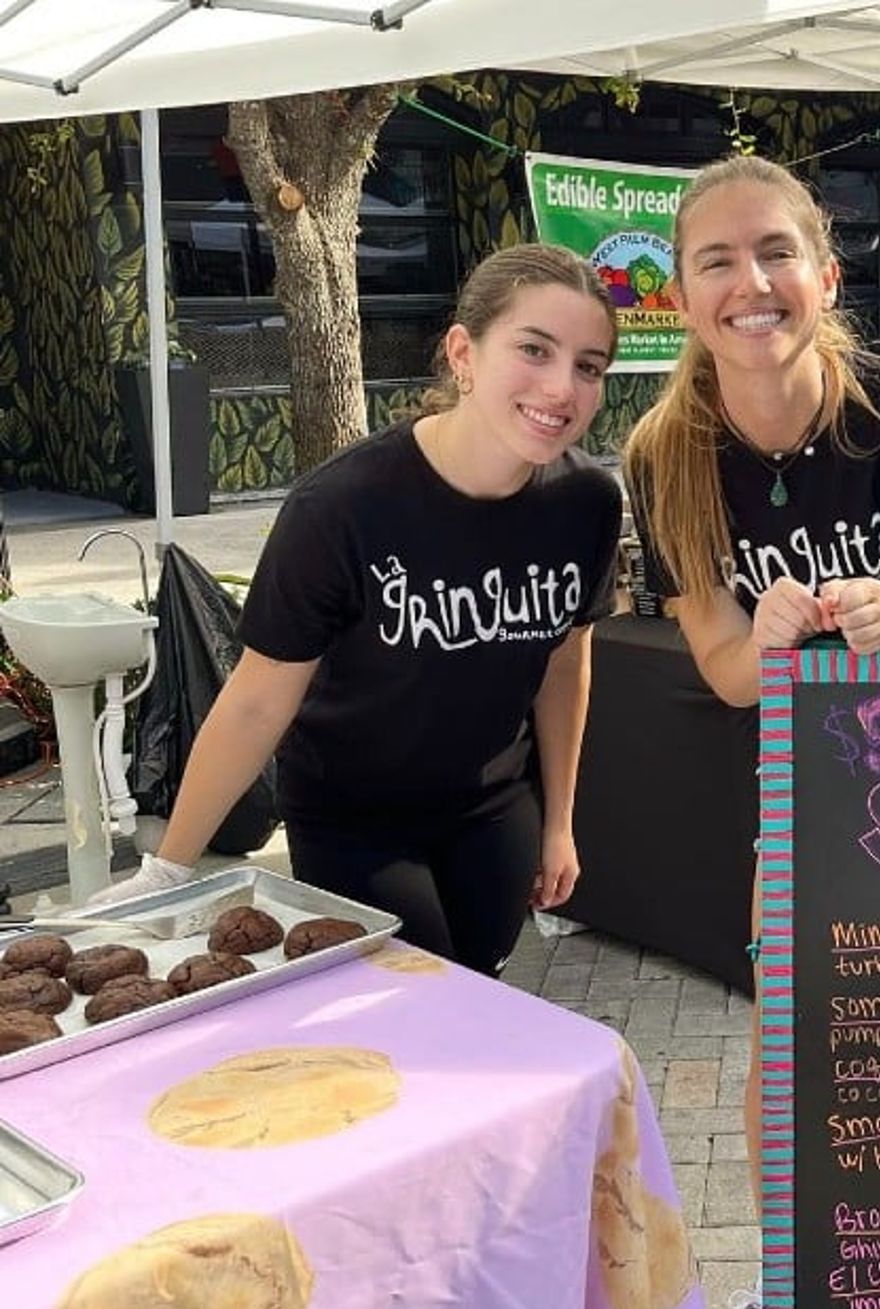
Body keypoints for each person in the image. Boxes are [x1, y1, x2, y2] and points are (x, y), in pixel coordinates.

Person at [625, 153, 880, 1309]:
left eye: (774, 254)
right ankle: (792, 1275)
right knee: (791, 1046)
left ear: (823, 271)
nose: (749, 284)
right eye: (716, 260)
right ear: (684, 294)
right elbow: (715, 663)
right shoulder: (663, 454)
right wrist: (761, 643)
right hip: (800, 789)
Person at [86, 244, 622, 976]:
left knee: (483, 989)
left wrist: (560, 821)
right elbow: (254, 703)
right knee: (413, 1005)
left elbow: (565, 663)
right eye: (535, 349)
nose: (562, 387)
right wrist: (170, 872)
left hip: (494, 814)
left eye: (589, 366)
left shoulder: (586, 503)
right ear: (463, 353)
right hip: (353, 821)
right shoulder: (342, 507)